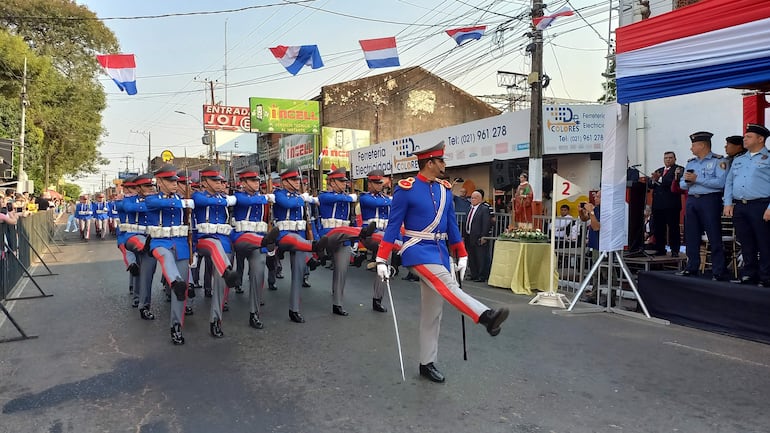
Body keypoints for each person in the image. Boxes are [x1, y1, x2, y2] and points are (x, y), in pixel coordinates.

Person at [375, 141, 509, 384]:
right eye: (441, 161)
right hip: (416, 249)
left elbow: (450, 225)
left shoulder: (445, 189)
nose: (445, 165)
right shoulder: (406, 189)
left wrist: (462, 253)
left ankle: (427, 363)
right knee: (448, 286)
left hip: (439, 252)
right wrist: (382, 258)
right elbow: (394, 225)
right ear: (430, 163)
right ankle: (485, 317)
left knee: (432, 314)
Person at [144, 164, 195, 345]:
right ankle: (174, 282)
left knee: (181, 291)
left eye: (175, 181)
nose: (175, 184)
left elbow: (191, 227)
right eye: (170, 180)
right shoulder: (152, 199)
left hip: (180, 244)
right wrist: (182, 202)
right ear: (159, 181)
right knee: (166, 259)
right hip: (160, 243)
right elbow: (159, 204)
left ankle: (176, 325)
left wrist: (193, 250)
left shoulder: (184, 200)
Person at [192, 165, 243, 338]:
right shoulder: (198, 195)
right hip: (204, 239)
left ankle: (216, 319)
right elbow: (203, 202)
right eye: (215, 180)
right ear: (204, 182)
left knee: (221, 283)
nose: (219, 183)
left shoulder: (225, 198)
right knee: (214, 248)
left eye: (220, 180)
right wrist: (225, 200)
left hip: (224, 240)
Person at [675, 131, 728, 280]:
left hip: (710, 200)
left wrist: (697, 179)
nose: (691, 148)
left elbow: (720, 183)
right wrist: (688, 182)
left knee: (714, 235)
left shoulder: (719, 161)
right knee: (691, 235)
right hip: (692, 200)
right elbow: (682, 185)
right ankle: (692, 266)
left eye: (693, 145)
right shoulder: (691, 162)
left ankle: (718, 270)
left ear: (702, 145)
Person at [231, 165, 279, 329]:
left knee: (258, 274)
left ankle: (254, 313)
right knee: (238, 268)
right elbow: (248, 201)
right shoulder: (238, 196)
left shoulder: (262, 198)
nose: (257, 183)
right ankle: (235, 284)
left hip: (259, 239)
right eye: (252, 180)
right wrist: (267, 198)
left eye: (257, 180)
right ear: (242, 182)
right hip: (241, 237)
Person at [723, 124, 770, 286]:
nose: (745, 139)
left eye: (749, 136)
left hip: (761, 205)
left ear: (760, 139)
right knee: (746, 242)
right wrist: (728, 202)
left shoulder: (768, 158)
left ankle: (766, 276)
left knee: (764, 242)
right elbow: (729, 182)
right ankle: (749, 274)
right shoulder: (739, 159)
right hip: (741, 206)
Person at [648, 151, 683, 257]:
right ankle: (660, 248)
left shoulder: (679, 169)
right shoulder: (659, 170)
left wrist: (660, 179)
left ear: (675, 159)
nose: (668, 160)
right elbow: (650, 184)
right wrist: (654, 180)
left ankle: (675, 250)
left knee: (673, 228)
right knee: (658, 228)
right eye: (666, 158)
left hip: (671, 204)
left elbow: (673, 182)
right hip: (658, 205)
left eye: (670, 157)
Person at [463, 190, 491, 282]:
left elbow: (486, 223)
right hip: (469, 235)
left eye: (474, 198)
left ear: (480, 199)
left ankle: (481, 275)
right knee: (471, 256)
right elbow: (466, 222)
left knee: (480, 256)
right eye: (471, 198)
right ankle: (473, 274)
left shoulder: (484, 209)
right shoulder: (469, 208)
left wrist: (484, 235)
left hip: (479, 236)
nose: (472, 200)